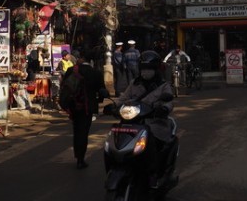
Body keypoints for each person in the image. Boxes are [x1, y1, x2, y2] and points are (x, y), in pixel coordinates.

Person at [115, 50, 175, 188]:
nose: (145, 72)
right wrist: (113, 106)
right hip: (133, 121)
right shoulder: (134, 83)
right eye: (143, 69)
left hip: (155, 123)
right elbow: (123, 98)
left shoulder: (163, 85)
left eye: (149, 69)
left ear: (155, 69)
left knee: (150, 143)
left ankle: (152, 174)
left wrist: (164, 108)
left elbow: (169, 101)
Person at [60, 49, 107, 169]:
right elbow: (102, 91)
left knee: (77, 130)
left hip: (74, 106)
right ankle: (80, 158)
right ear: (91, 61)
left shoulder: (71, 70)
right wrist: (98, 101)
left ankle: (78, 156)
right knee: (83, 132)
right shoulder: (95, 73)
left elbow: (64, 87)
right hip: (88, 107)